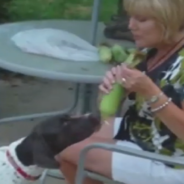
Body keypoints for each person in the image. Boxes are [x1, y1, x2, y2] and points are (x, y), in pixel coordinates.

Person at [56, 0, 184, 184]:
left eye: (141, 19)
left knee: (65, 149)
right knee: (59, 136)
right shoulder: (150, 50)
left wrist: (150, 92)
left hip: (172, 159)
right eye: (130, 17)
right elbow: (107, 111)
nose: (131, 25)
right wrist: (111, 90)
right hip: (141, 133)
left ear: (168, 20)